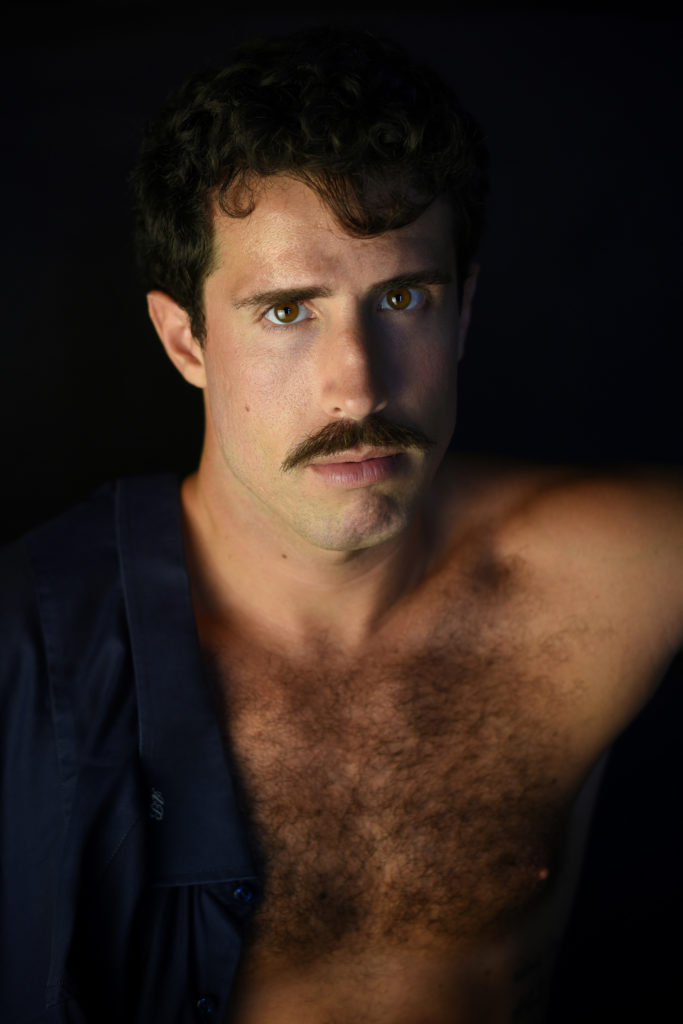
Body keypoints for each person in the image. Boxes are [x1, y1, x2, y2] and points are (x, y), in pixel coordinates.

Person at [1, 25, 681, 1024]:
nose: (357, 385)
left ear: (462, 311)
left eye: (401, 297)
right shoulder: (31, 649)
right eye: (287, 312)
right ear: (185, 340)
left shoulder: (608, 576)